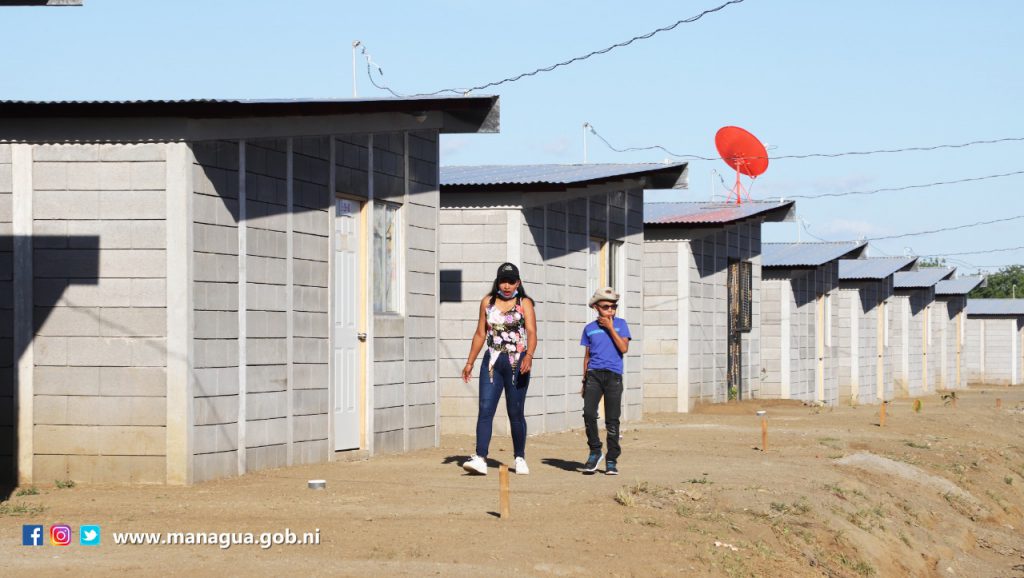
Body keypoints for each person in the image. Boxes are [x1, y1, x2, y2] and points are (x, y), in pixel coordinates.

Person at [460, 263, 537, 476]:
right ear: (498, 282)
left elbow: (531, 332)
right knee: (485, 408)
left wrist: (529, 355)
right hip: (492, 362)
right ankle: (480, 457)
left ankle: (519, 457)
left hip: (517, 362)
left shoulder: (524, 303)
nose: (507, 286)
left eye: (511, 282)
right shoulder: (488, 302)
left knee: (515, 411)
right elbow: (480, 333)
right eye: (503, 281)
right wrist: (470, 362)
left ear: (518, 283)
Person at [579, 286, 631, 475]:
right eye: (606, 307)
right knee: (588, 413)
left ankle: (611, 459)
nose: (610, 310)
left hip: (613, 376)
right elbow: (587, 356)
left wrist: (610, 327)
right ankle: (595, 451)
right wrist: (584, 380)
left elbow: (623, 348)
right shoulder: (589, 329)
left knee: (612, 419)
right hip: (593, 375)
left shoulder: (621, 324)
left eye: (613, 306)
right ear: (596, 307)